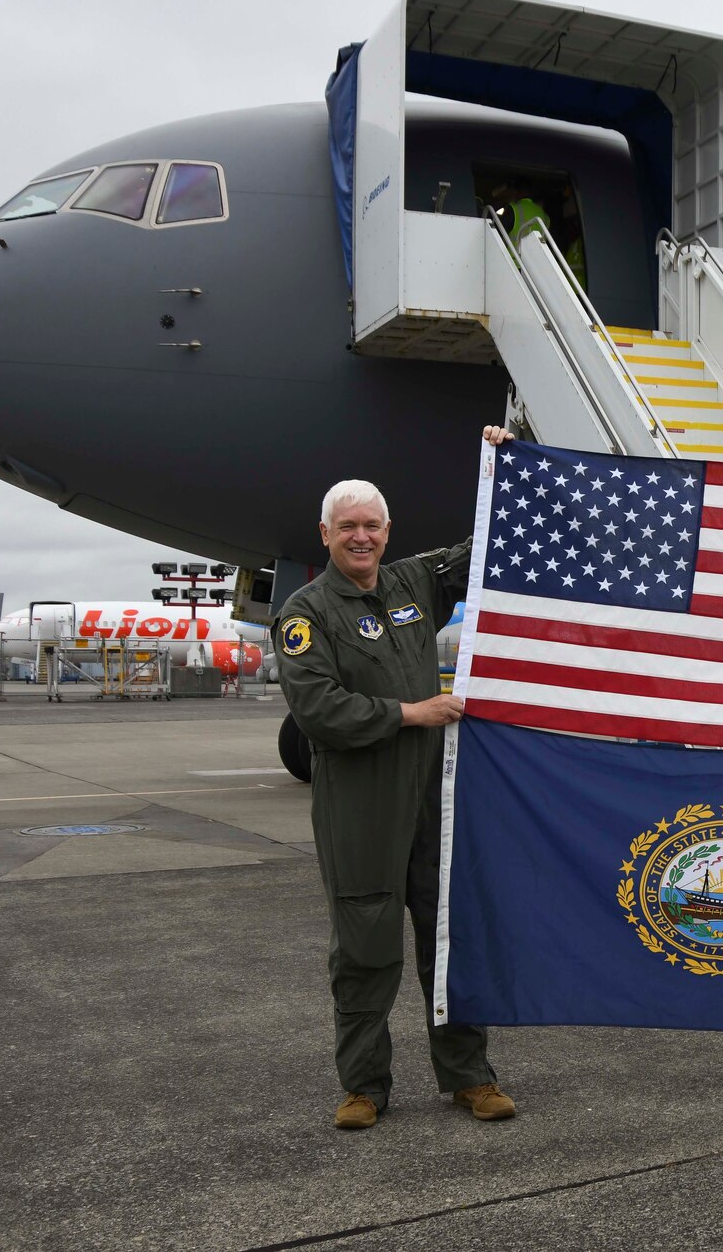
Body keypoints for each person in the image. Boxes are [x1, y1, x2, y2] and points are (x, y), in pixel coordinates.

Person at [277, 426, 517, 1131]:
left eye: (371, 526)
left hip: (432, 801)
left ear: (387, 531)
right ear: (324, 533)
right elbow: (319, 708)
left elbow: (483, 553)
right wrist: (415, 711)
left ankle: (470, 1076)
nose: (361, 537)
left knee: (448, 939)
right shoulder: (304, 614)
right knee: (365, 948)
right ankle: (363, 1085)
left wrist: (505, 464)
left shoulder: (413, 581)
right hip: (361, 807)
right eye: (347, 526)